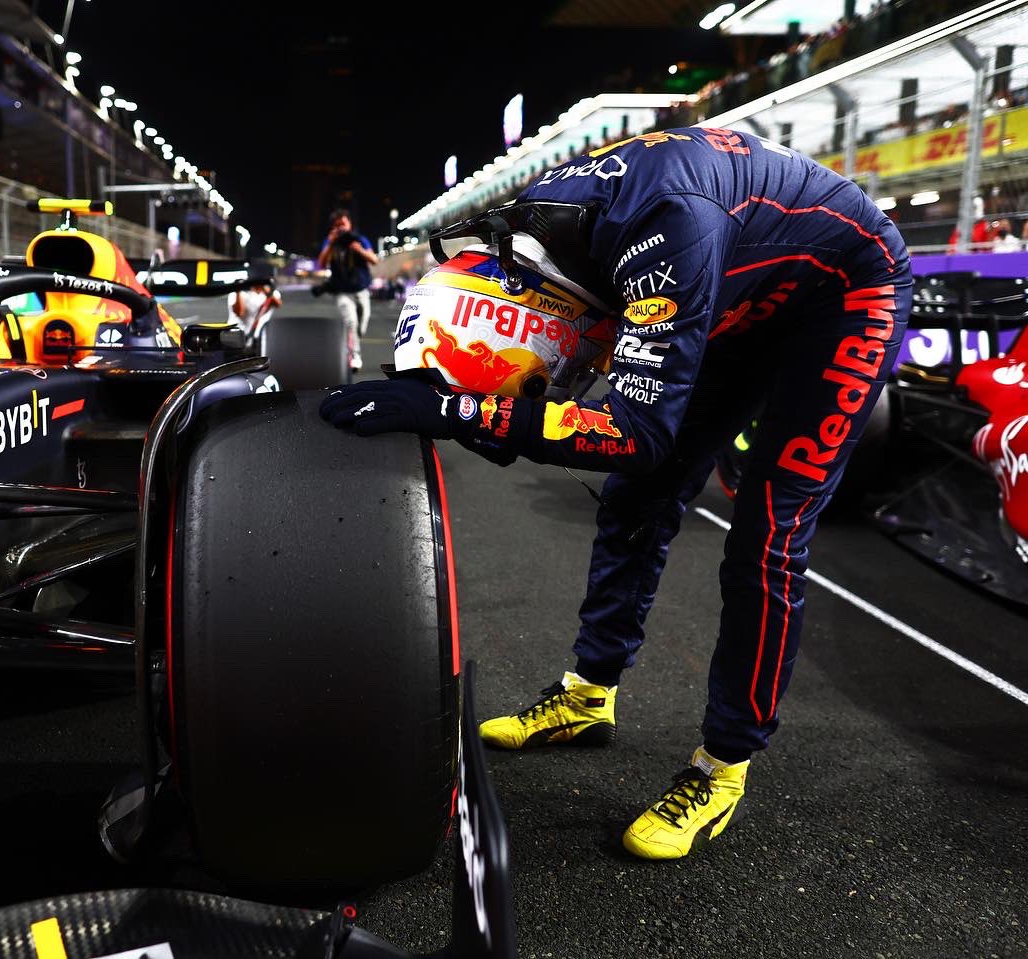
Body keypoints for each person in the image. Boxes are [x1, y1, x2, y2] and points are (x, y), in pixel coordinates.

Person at [320, 127, 912, 860]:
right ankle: (587, 696)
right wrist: (452, 394)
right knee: (639, 499)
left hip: (845, 294)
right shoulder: (532, 218)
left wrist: (462, 411)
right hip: (736, 275)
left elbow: (637, 431)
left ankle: (722, 766)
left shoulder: (664, 236)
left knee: (768, 536)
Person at [315, 209, 379, 370]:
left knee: (361, 326)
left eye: (343, 224)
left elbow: (374, 260)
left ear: (349, 224)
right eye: (337, 226)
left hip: (361, 289)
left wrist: (358, 249)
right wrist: (330, 243)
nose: (341, 228)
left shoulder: (359, 240)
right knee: (351, 322)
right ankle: (355, 355)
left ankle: (351, 343)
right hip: (342, 291)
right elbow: (321, 264)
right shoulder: (331, 243)